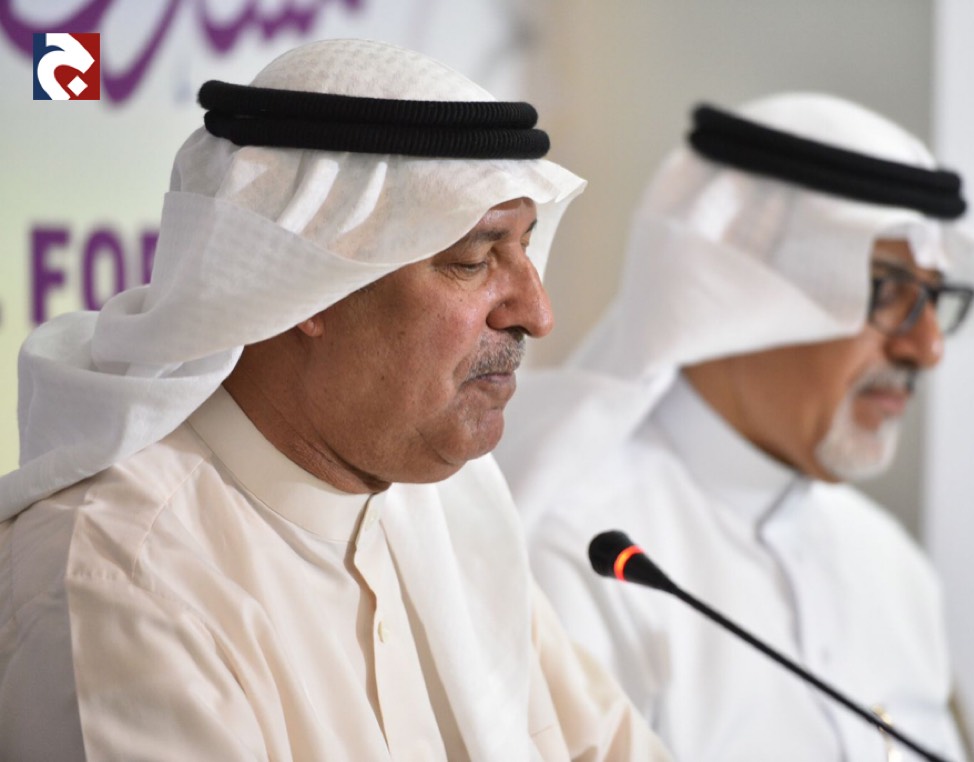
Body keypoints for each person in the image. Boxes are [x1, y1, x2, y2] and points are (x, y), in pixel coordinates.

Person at [0, 39, 671, 761]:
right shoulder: (124, 583)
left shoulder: (453, 509)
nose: (537, 314)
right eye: (473, 260)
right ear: (305, 289)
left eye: (525, 251)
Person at [496, 94, 974, 761]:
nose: (928, 348)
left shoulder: (892, 564)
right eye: (888, 293)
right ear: (744, 290)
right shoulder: (583, 553)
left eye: (934, 301)